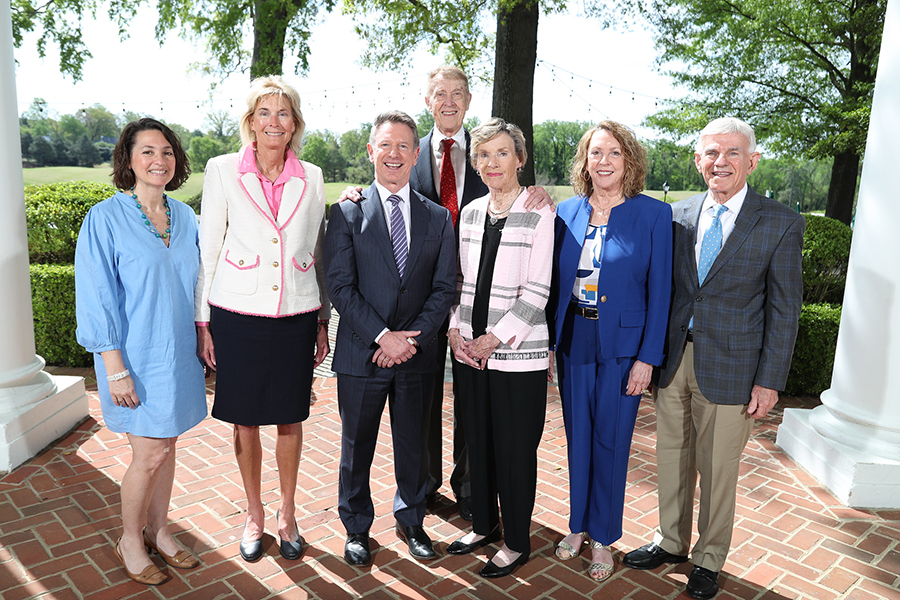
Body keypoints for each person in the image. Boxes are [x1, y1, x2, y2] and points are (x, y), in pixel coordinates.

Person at [341, 66, 554, 522]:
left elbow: (515, 196)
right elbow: (384, 195)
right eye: (440, 93)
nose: (449, 101)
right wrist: (355, 193)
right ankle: (423, 487)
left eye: (458, 93)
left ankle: (471, 489)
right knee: (421, 404)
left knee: (469, 401)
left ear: (469, 101)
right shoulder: (408, 150)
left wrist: (540, 193)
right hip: (419, 305)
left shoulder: (487, 150)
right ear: (428, 101)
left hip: (468, 299)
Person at [622, 117, 805, 600]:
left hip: (733, 368)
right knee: (671, 457)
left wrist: (769, 380)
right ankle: (670, 540)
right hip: (673, 361)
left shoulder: (780, 222)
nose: (720, 162)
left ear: (752, 161)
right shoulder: (676, 216)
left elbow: (784, 309)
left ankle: (708, 558)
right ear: (697, 160)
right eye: (711, 153)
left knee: (718, 469)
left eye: (731, 153)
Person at [194, 76, 330, 563]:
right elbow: (209, 248)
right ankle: (254, 513)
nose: (274, 122)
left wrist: (321, 320)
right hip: (237, 314)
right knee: (245, 420)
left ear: (295, 123)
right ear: (251, 122)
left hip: (295, 313)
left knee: (291, 417)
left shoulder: (312, 176)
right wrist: (203, 322)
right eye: (264, 113)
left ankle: (287, 513)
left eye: (283, 113)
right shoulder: (222, 170)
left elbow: (316, 251)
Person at [75, 118, 206, 585]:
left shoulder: (186, 217)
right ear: (128, 160)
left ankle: (159, 530)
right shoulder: (104, 219)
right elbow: (96, 297)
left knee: (167, 447)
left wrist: (205, 336)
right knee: (149, 454)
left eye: (167, 151)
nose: (159, 160)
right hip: (132, 357)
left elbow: (197, 285)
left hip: (178, 352)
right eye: (147, 151)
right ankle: (130, 539)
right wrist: (114, 369)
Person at [323, 111, 457, 567]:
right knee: (356, 446)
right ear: (371, 151)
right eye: (385, 144)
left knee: (414, 446)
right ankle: (356, 527)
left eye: (403, 146)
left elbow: (444, 288)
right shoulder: (346, 212)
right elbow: (340, 286)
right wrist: (383, 337)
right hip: (362, 353)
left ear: (416, 154)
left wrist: (408, 341)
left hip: (417, 356)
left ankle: (412, 521)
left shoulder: (437, 218)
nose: (394, 154)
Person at [548, 121, 672, 582]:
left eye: (614, 153)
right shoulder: (566, 212)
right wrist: (549, 344)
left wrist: (648, 358)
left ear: (629, 161)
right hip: (573, 340)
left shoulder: (654, 215)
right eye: (596, 152)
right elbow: (552, 284)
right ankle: (577, 525)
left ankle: (603, 536)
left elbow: (661, 293)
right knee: (578, 436)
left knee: (612, 441)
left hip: (624, 349)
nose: (604, 161)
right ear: (585, 160)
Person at [445, 118, 554, 578]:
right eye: (484, 155)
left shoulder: (539, 212)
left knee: (514, 450)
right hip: (470, 353)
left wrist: (494, 339)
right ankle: (484, 526)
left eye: (503, 153)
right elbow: (460, 281)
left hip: (516, 355)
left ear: (520, 159)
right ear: (475, 162)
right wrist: (456, 330)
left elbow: (538, 291)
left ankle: (516, 542)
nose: (493, 163)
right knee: (479, 443)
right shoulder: (471, 212)